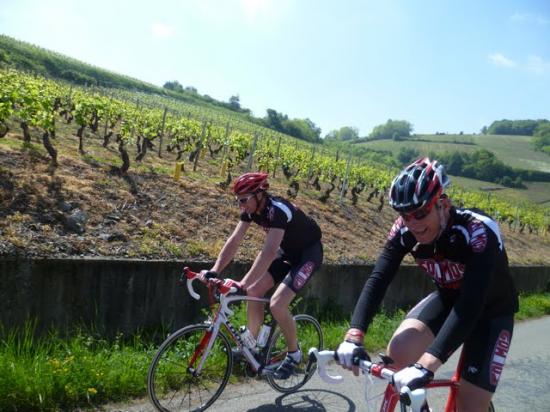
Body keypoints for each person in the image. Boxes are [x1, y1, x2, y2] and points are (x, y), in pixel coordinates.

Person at [336, 157, 518, 411]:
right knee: (399, 351)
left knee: (469, 407)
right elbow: (379, 279)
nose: (413, 224)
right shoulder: (404, 230)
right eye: (405, 215)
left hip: (491, 312)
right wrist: (354, 334)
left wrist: (426, 365)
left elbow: (471, 303)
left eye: (420, 212)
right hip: (448, 299)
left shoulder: (477, 231)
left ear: (443, 204)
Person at [202, 171, 323, 379]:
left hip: (308, 254)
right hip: (287, 253)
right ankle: (252, 347)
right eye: (237, 200)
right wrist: (215, 270)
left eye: (244, 200)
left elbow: (268, 252)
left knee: (277, 304)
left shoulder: (278, 210)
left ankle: (294, 354)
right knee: (254, 291)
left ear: (259, 194)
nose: (241, 205)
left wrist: (241, 283)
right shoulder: (252, 210)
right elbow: (234, 240)